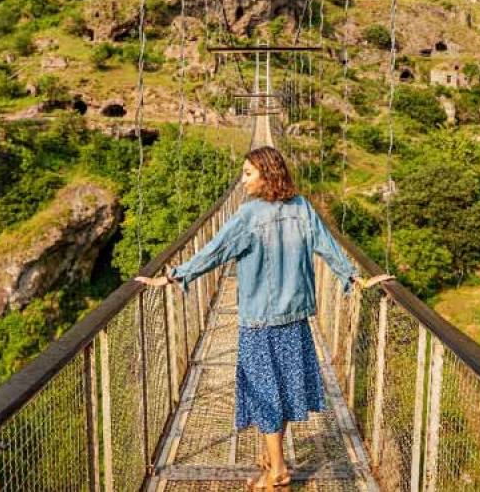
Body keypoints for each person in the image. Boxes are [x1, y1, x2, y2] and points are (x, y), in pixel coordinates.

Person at [136, 146, 393, 491]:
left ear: (266, 175)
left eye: (247, 174)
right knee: (281, 391)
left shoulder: (249, 215)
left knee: (263, 393)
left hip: (259, 321)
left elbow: (215, 251)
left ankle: (278, 471)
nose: (242, 181)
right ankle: (272, 459)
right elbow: (328, 246)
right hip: (296, 318)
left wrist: (174, 276)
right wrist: (354, 278)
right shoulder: (302, 207)